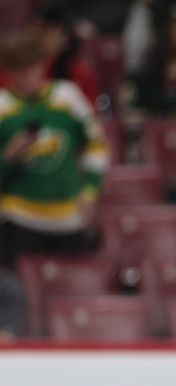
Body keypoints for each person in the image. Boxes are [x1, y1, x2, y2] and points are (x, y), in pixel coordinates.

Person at [0, 28, 109, 269]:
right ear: (10, 72)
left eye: (33, 66)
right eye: (21, 69)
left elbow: (96, 146)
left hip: (67, 217)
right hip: (19, 218)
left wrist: (90, 190)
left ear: (42, 65)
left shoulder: (68, 98)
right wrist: (8, 156)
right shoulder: (2, 108)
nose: (29, 75)